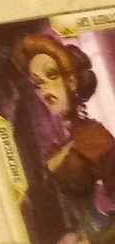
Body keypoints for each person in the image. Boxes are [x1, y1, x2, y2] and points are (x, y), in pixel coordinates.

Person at [12, 31, 115, 242]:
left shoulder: (96, 136)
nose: (45, 90)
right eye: (38, 84)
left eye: (52, 75)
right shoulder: (57, 146)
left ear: (72, 81)